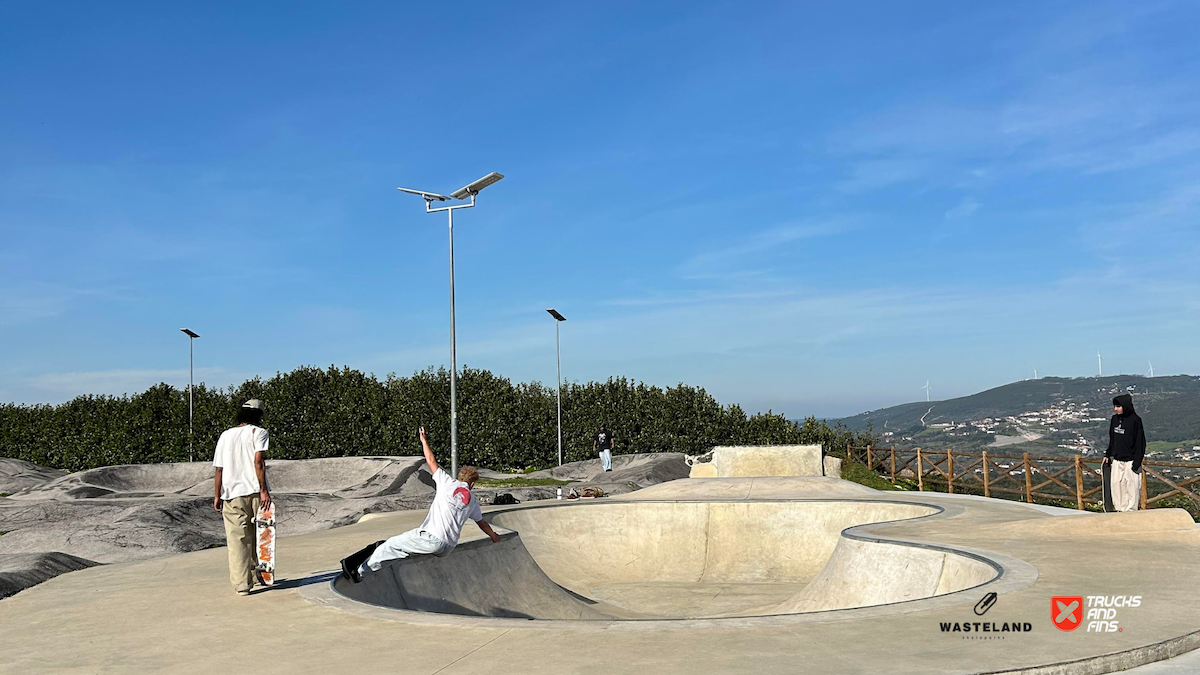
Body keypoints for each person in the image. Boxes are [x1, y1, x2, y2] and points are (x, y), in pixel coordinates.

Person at [342, 426, 501, 582]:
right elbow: (482, 523)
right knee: (402, 549)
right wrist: (493, 536)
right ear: (472, 485)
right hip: (448, 547)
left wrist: (423, 441)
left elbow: (431, 460)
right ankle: (387, 557)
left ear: (459, 478)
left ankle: (359, 573)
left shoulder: (446, 482)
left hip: (432, 539)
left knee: (390, 545)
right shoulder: (472, 502)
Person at [212, 399, 272, 596]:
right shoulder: (259, 433)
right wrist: (264, 490)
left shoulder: (225, 435)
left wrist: (217, 495)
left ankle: (242, 585)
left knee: (238, 540)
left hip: (231, 494)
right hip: (255, 492)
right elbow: (258, 461)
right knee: (261, 535)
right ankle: (260, 575)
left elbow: (219, 469)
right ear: (258, 416)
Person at [1104, 393, 1146, 512]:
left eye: (1118, 406)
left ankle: (1131, 512)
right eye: (1115, 406)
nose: (1115, 409)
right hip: (1117, 460)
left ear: (1125, 406)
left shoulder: (1135, 420)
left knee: (1132, 489)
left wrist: (1137, 462)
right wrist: (1108, 454)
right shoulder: (1114, 419)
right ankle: (1119, 510)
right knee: (1117, 486)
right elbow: (1112, 439)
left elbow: (1140, 442)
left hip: (1131, 461)